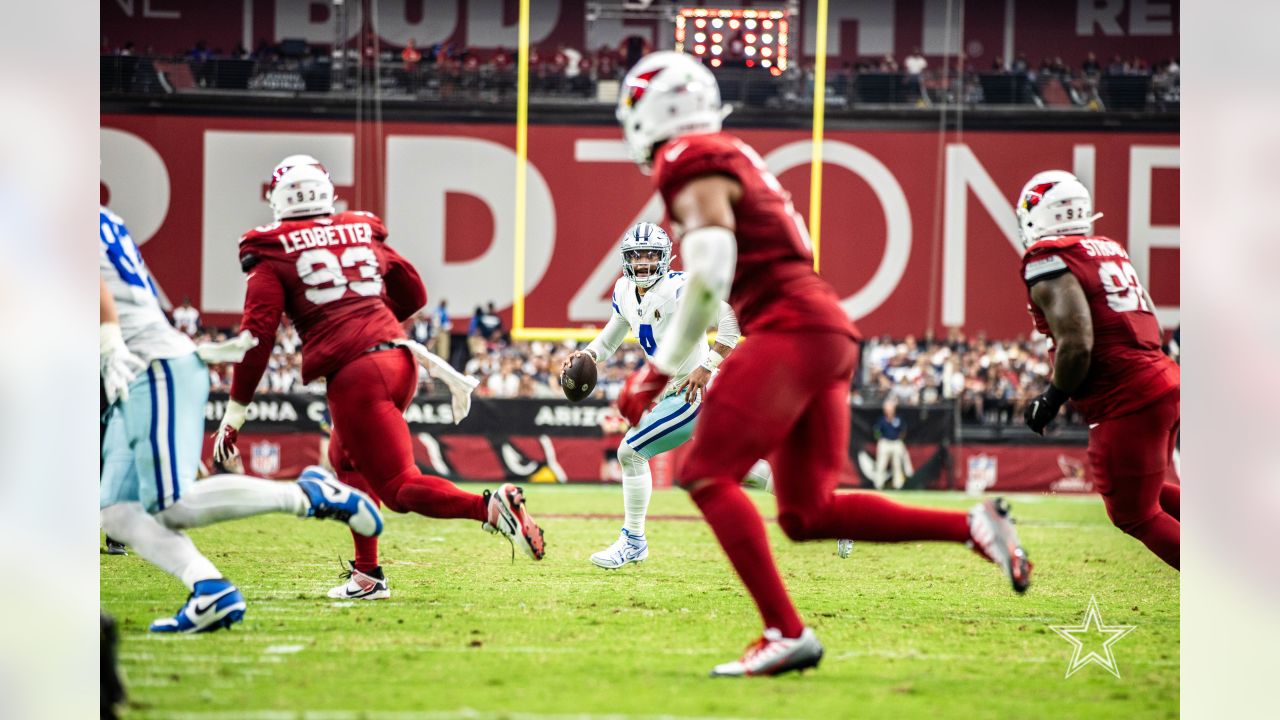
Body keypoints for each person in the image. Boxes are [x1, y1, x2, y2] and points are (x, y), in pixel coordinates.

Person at [612, 52, 1031, 677]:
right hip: (827, 328)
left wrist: (652, 374)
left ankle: (786, 631)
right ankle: (972, 526)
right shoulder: (733, 156)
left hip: (789, 327)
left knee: (703, 472)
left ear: (654, 113)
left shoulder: (688, 157)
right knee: (809, 512)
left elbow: (710, 274)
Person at [213, 158, 541, 602]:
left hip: (358, 374)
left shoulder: (271, 248)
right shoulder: (358, 229)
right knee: (345, 458)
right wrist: (374, 327)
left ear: (278, 198)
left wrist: (235, 413)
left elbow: (257, 338)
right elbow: (414, 293)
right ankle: (368, 575)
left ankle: (489, 507)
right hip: (400, 359)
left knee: (400, 487)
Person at [100, 206, 383, 634]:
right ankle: (210, 589)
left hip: (147, 364)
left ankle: (309, 494)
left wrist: (105, 343)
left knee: (172, 504)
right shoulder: (94, 214)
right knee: (117, 512)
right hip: (138, 365)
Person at [564, 222, 754, 569]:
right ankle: (821, 510)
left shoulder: (680, 288)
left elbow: (730, 319)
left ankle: (633, 540)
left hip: (692, 391)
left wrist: (708, 365)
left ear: (665, 257)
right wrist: (587, 356)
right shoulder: (624, 289)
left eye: (651, 255)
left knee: (631, 451)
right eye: (637, 256)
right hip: (671, 393)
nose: (643, 263)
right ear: (626, 260)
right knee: (741, 468)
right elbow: (609, 339)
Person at [1016, 170, 1180, 569]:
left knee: (1133, 513)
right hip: (1160, 378)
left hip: (1126, 396)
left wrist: (1050, 399)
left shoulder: (1048, 260)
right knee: (1150, 492)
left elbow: (1077, 343)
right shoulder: (1106, 247)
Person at [872, 400, 908, 490]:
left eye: (890, 409)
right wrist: (879, 438)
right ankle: (878, 485)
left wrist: (900, 438)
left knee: (897, 464)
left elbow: (903, 430)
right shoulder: (881, 419)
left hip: (896, 442)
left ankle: (898, 485)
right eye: (886, 409)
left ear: (894, 409)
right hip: (885, 442)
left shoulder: (898, 419)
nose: (888, 411)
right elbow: (876, 431)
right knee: (881, 464)